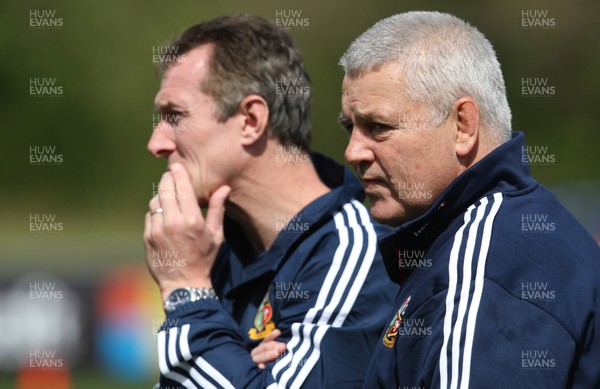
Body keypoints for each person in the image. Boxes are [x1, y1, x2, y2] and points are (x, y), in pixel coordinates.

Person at [336, 11, 600, 389]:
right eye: (350, 128)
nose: (353, 152)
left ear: (463, 126)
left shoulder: (483, 270)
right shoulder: (490, 238)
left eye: (378, 127)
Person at [143, 14, 395, 388]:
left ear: (250, 119)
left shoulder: (351, 251)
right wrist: (241, 363)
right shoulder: (216, 250)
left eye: (175, 116)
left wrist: (186, 292)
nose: (156, 143)